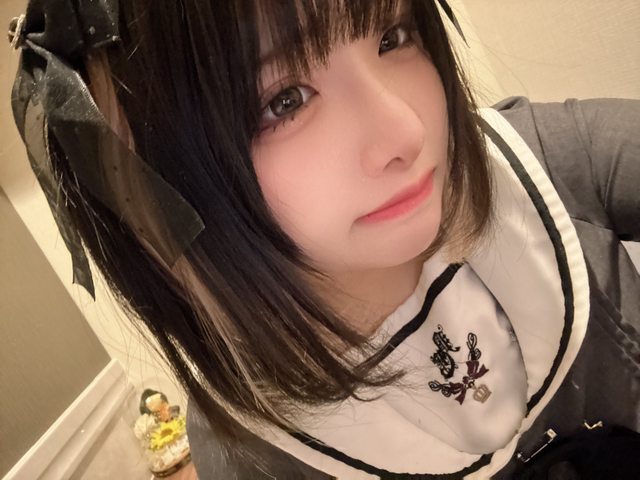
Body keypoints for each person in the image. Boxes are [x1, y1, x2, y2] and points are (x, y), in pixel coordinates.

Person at [8, 0, 640, 478]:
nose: (407, 131)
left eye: (392, 36)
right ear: (155, 191)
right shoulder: (250, 446)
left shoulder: (538, 163)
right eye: (284, 100)